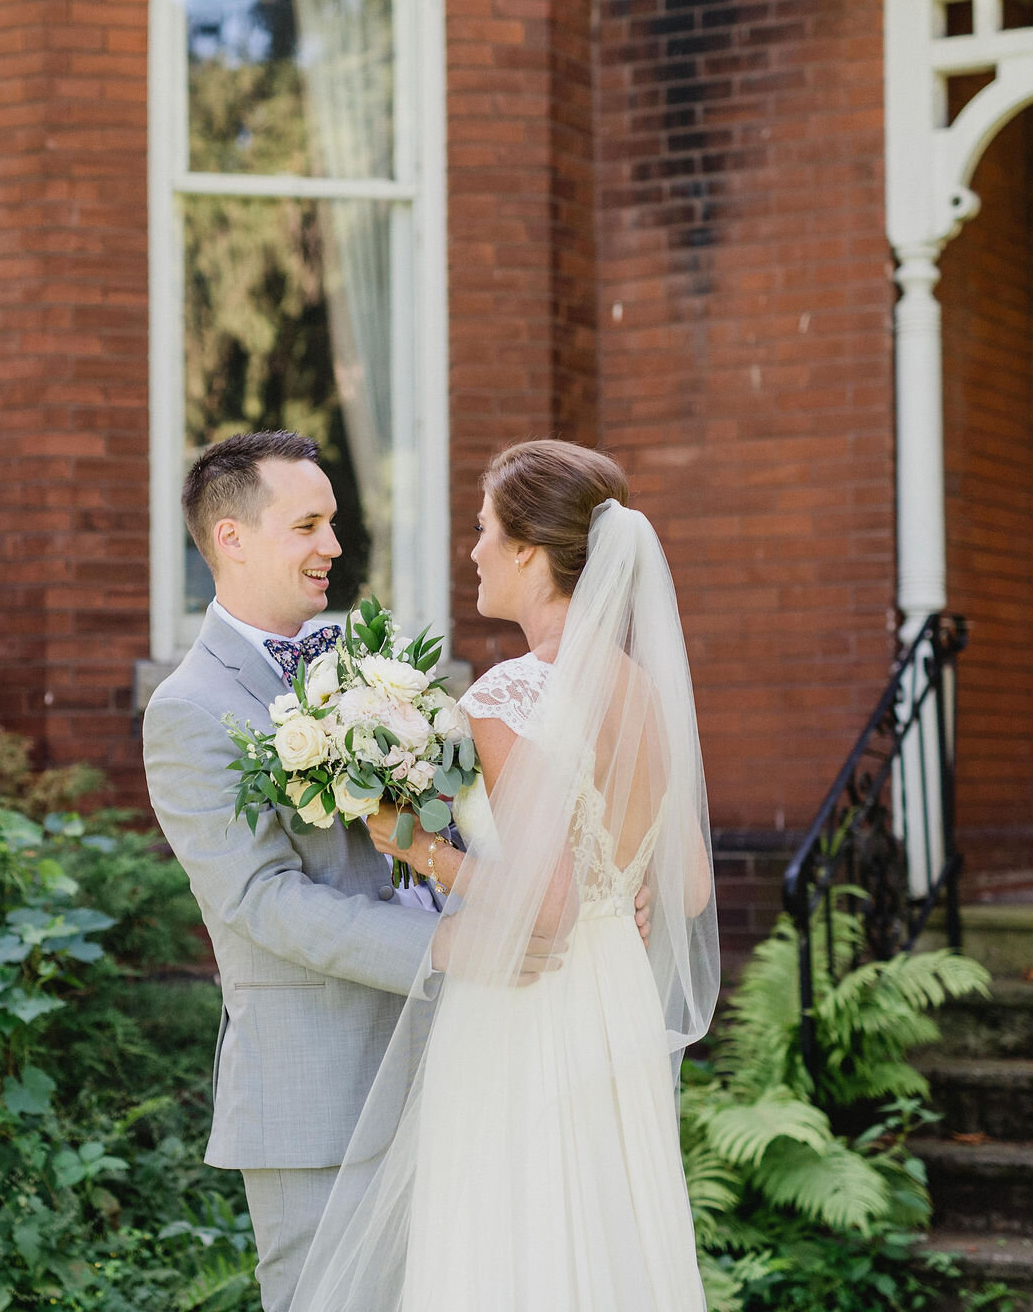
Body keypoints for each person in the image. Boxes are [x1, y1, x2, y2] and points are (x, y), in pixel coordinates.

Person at [142, 432, 602, 1312]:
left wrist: (589, 876)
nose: (333, 546)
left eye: (335, 522)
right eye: (308, 524)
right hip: (320, 1101)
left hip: (452, 1069)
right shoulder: (188, 709)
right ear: (231, 538)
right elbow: (258, 900)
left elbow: (468, 816)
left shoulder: (363, 666)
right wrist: (445, 944)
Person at [290, 439, 721, 1312]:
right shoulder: (643, 691)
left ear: (529, 550)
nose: (473, 550)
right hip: (614, 1005)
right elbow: (691, 890)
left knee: (513, 1250)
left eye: (484, 529)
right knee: (606, 1241)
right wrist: (622, 888)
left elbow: (547, 901)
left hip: (530, 1010)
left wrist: (412, 843)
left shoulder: (507, 697)